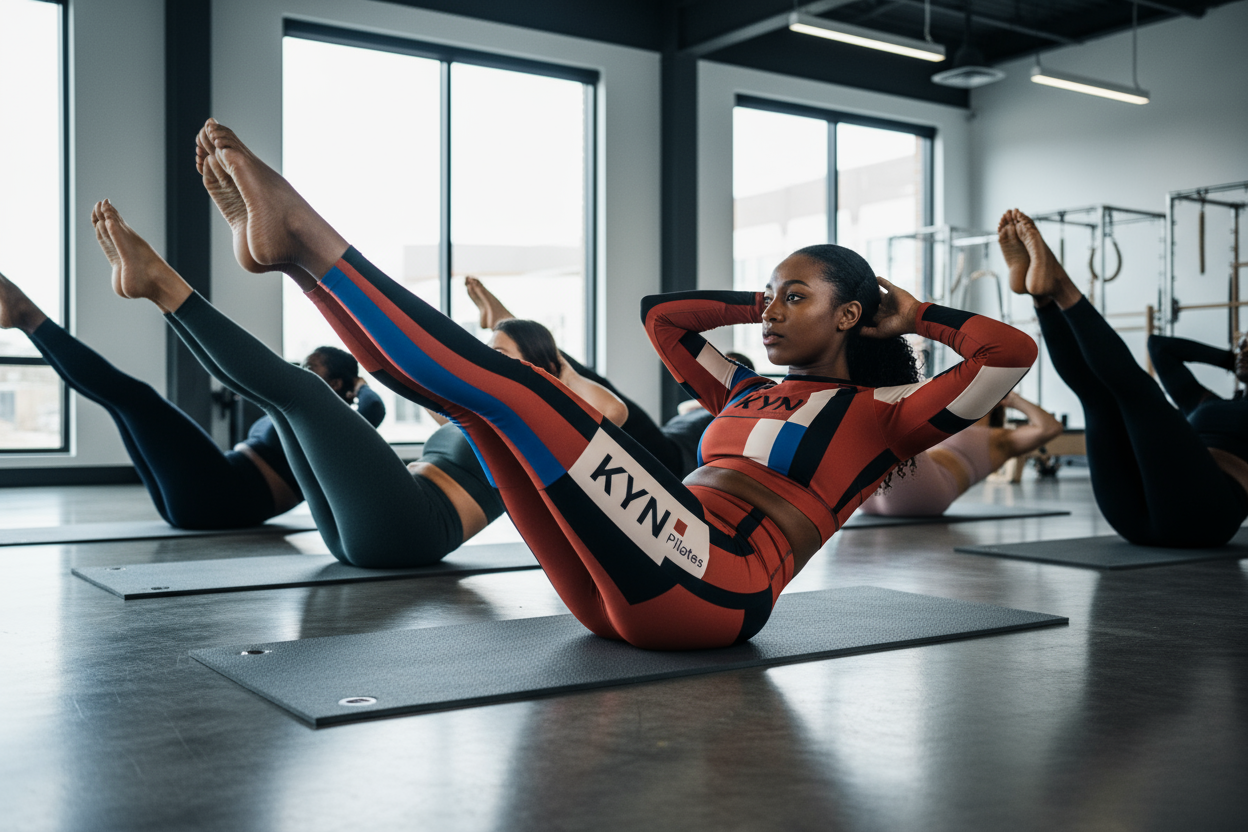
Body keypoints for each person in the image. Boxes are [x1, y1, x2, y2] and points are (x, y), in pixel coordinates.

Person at [182, 117, 1035, 649]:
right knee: (479, 415)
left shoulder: (888, 413)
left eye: (796, 298)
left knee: (520, 392)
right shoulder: (741, 390)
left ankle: (310, 238)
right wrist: (764, 301)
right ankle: (301, 268)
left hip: (720, 585)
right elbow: (664, 318)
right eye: (770, 296)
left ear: (852, 314)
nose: (773, 312)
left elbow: (1007, 354)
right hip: (625, 593)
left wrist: (911, 313)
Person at [0, 269, 382, 529]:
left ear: (337, 383)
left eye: (312, 367)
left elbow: (374, 408)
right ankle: (26, 323)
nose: (301, 370)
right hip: (204, 497)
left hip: (224, 497)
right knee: (120, 403)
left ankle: (28, 317)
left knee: (136, 398)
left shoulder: (341, 424)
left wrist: (362, 385)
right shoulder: (299, 409)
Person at [1000, 207, 1248, 547]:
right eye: (1244, 344)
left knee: (1138, 393)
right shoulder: (1205, 401)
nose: (1245, 348)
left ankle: (1060, 287)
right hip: (1132, 518)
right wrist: (1232, 360)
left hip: (1204, 517)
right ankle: (1042, 299)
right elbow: (1160, 347)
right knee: (1097, 399)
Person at [858, 389, 1062, 516]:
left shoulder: (1000, 439)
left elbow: (1049, 428)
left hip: (925, 493)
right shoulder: (942, 419)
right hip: (867, 499)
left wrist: (1013, 399)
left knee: (884, 424)